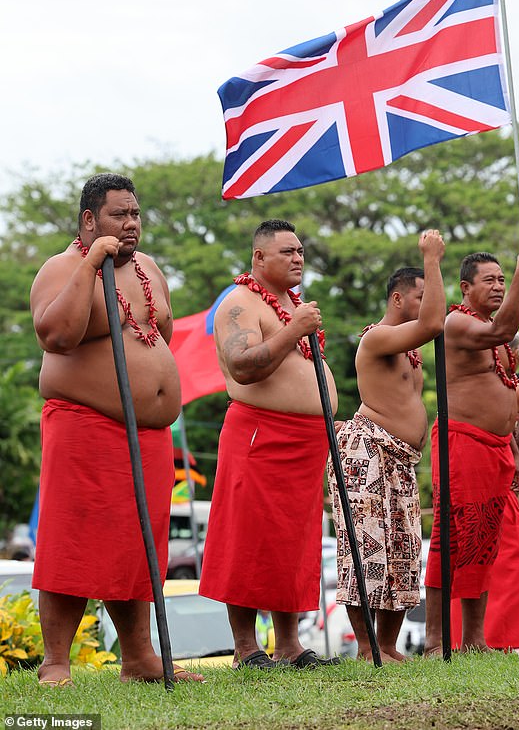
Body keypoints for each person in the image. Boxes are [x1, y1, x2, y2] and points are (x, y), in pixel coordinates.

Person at [29, 173, 203, 686]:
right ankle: (56, 660)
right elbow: (56, 334)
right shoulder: (60, 268)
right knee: (74, 541)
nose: (130, 225)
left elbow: (160, 334)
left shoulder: (149, 269)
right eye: (117, 216)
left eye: (135, 215)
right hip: (85, 424)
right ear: (89, 220)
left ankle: (139, 658)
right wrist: (90, 263)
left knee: (138, 545)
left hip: (147, 434)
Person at [199, 219, 339, 669]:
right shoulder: (238, 303)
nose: (298, 258)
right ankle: (246, 648)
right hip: (261, 434)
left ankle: (290, 644)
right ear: (259, 258)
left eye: (300, 251)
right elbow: (244, 366)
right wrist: (294, 329)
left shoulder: (291, 305)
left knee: (293, 542)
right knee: (248, 537)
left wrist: (296, 323)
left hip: (306, 441)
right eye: (286, 252)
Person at [328, 230, 446, 662]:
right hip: (368, 452)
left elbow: (434, 320)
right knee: (367, 547)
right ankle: (365, 647)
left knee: (404, 548)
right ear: (399, 300)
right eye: (421, 295)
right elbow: (434, 322)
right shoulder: (377, 338)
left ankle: (388, 646)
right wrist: (431, 259)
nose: (429, 302)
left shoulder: (409, 352)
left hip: (400, 459)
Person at [424, 244, 519, 654]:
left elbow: (505, 393)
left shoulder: (494, 338)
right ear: (465, 287)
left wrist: (511, 445)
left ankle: (474, 640)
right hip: (462, 441)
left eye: (502, 279)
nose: (498, 286)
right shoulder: (457, 322)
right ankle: (436, 640)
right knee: (452, 538)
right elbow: (500, 331)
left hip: (494, 447)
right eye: (489, 280)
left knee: (484, 543)